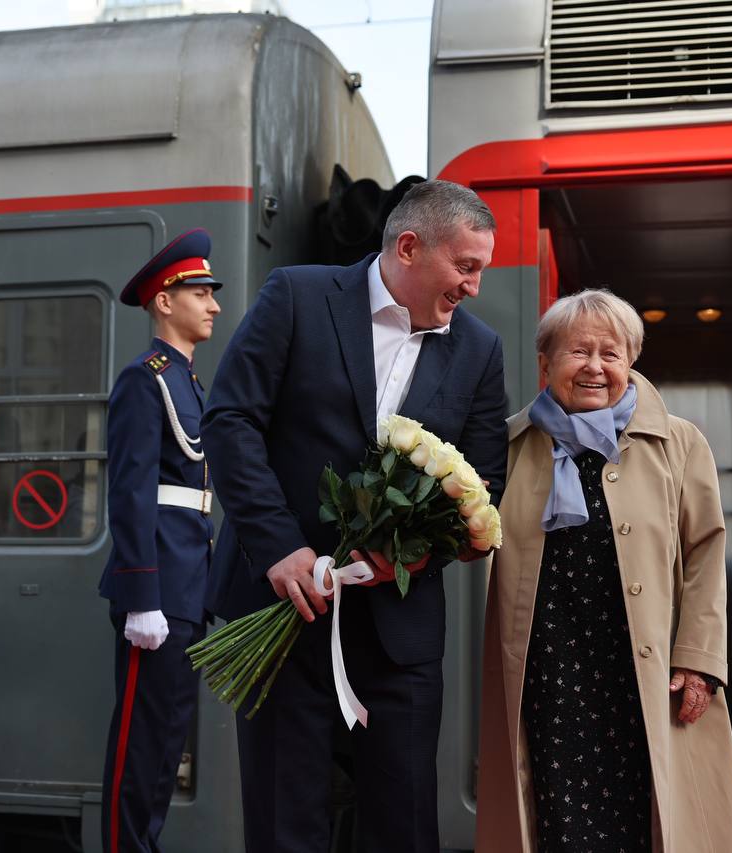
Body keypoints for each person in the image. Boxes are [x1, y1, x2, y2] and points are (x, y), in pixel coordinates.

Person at [201, 180, 508, 853]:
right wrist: (277, 546)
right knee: (288, 828)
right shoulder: (296, 296)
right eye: (466, 266)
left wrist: (416, 553)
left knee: (404, 829)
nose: (474, 286)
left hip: (400, 638)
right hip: (282, 615)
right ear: (408, 246)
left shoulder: (480, 350)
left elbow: (486, 486)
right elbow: (231, 421)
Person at [474, 290, 732, 852]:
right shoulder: (508, 445)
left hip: (643, 669)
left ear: (631, 362)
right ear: (546, 364)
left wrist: (699, 659)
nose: (595, 367)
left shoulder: (679, 442)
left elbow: (706, 552)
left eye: (611, 353)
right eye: (578, 352)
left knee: (647, 816)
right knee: (557, 817)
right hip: (550, 673)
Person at [98, 228, 222, 853]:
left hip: (186, 582)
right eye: (201, 292)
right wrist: (141, 593)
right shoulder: (144, 381)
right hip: (159, 587)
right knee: (141, 741)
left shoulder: (189, 383)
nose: (214, 304)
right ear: (165, 301)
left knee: (168, 738)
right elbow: (130, 493)